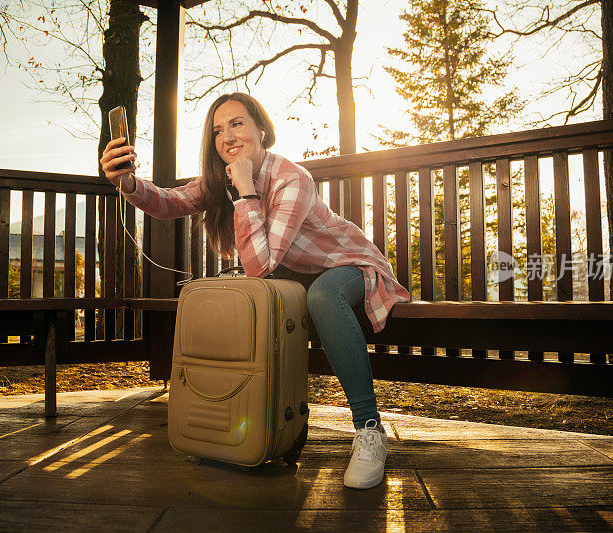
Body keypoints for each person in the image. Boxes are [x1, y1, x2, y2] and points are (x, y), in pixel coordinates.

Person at [100, 92, 410, 489]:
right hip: (295, 276)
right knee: (255, 303)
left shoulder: (291, 178)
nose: (227, 136)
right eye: (217, 130)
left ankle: (369, 430)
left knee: (319, 297)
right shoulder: (220, 179)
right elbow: (168, 202)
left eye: (237, 123)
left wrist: (246, 189)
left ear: (262, 130)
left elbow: (260, 266)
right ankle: (279, 425)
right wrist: (126, 181)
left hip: (346, 265)